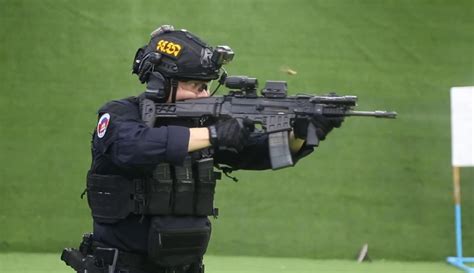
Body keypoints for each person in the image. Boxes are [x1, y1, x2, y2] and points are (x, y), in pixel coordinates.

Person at [61, 25, 343, 273]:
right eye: (195, 86)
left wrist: (304, 132)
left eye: (206, 86)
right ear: (161, 83)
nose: (205, 95)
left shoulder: (202, 126)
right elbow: (134, 147)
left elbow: (259, 152)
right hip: (122, 267)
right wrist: (213, 133)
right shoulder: (120, 114)